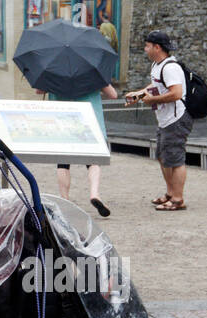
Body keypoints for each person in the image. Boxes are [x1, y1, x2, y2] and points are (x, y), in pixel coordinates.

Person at [125, 30, 192, 212]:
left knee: (175, 159)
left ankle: (178, 199)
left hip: (176, 119)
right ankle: (170, 194)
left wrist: (151, 100)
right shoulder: (157, 65)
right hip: (164, 120)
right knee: (163, 157)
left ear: (157, 47)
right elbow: (155, 86)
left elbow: (176, 93)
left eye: (147, 46)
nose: (145, 49)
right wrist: (139, 95)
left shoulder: (170, 67)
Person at [43, 81, 118, 217]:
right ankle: (94, 194)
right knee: (93, 162)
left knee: (63, 163)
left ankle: (65, 200)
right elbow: (113, 95)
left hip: (62, 122)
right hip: (89, 122)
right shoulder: (93, 70)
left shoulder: (54, 69)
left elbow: (38, 91)